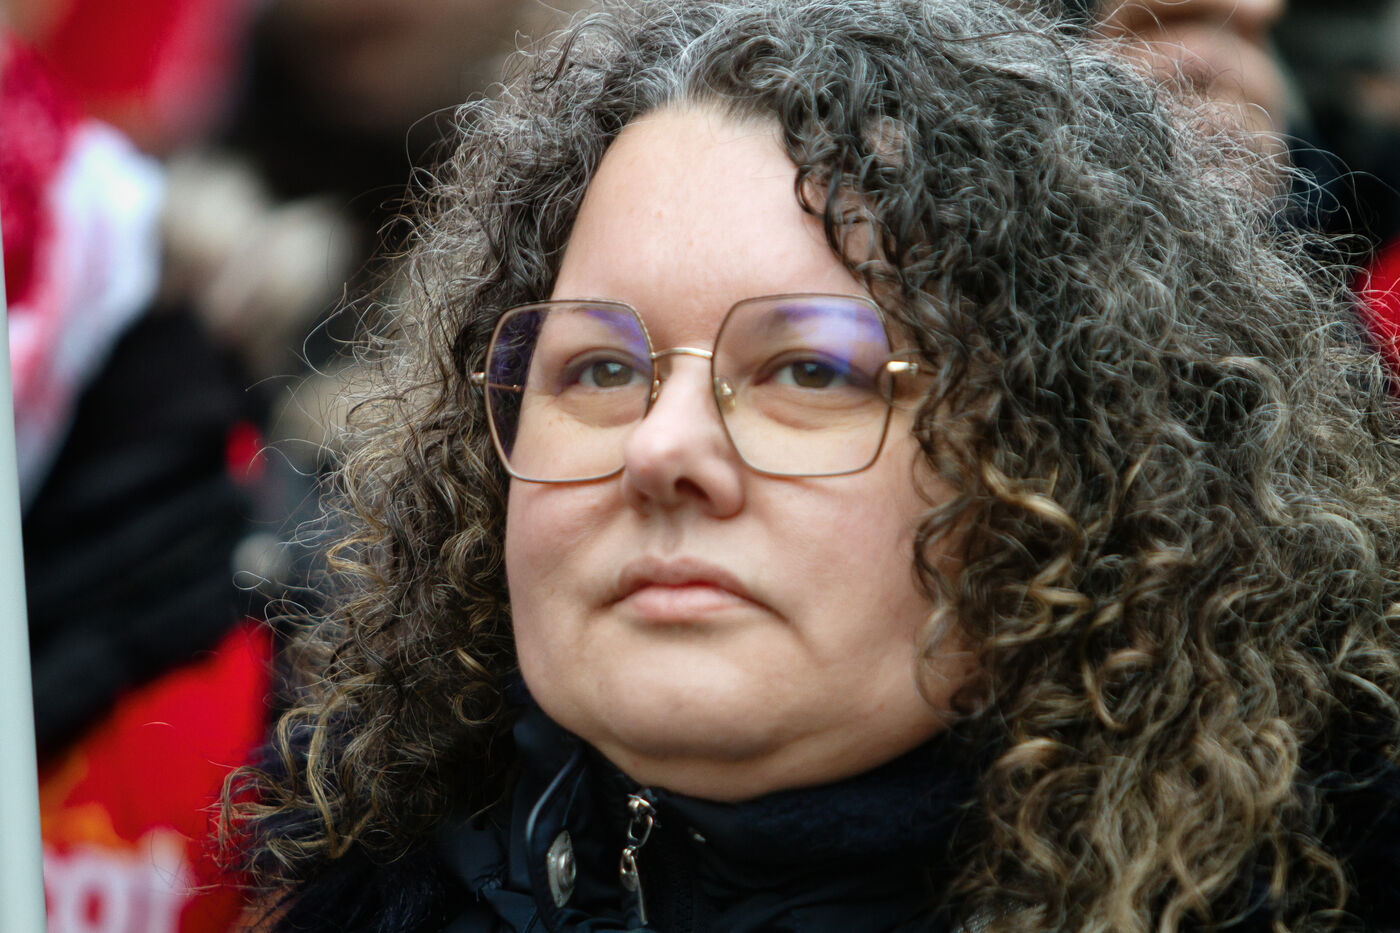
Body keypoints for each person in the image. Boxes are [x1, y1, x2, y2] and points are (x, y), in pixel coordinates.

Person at [223, 1, 1400, 931]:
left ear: (1077, 471)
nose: (661, 449)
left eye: (810, 371)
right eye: (598, 369)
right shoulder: (340, 886)